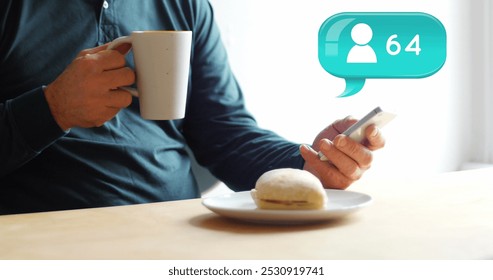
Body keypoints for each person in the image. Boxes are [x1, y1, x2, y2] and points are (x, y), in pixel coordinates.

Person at [0, 0, 385, 215]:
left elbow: (225, 133)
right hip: (44, 235)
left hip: (178, 229)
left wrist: (308, 163)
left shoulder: (184, 5)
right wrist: (51, 109)